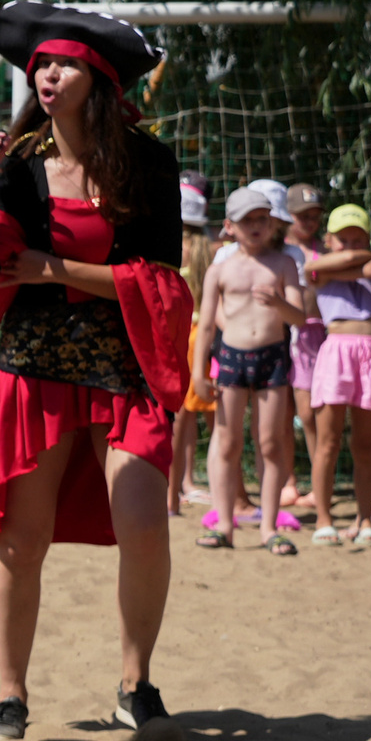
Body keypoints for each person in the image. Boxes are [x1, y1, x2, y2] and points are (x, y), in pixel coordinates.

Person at [0, 1, 194, 741]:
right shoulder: (14, 165)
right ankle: (10, 692)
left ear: (100, 77)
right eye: (42, 64)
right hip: (34, 365)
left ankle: (134, 683)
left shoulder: (148, 164)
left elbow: (160, 284)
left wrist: (57, 268)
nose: (49, 75)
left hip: (125, 368)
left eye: (66, 64)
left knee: (144, 521)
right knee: (22, 538)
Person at [193, 188, 305, 556]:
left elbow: (300, 318)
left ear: (272, 223)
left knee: (270, 443)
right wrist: (198, 373)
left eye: (261, 219)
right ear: (229, 226)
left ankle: (269, 527)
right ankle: (224, 523)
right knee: (226, 443)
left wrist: (277, 302)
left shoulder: (285, 264)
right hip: (231, 360)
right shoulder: (220, 270)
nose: (255, 226)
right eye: (246, 220)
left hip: (272, 359)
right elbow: (207, 326)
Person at [300, 204, 371, 547]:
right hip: (336, 351)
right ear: (328, 240)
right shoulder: (317, 263)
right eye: (343, 239)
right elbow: (315, 268)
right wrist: (362, 263)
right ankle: (324, 520)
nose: (351, 244)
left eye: (359, 237)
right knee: (328, 442)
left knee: (366, 445)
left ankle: (365, 519)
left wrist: (362, 262)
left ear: (370, 238)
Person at [170, 174, 216, 512]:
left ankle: (178, 487)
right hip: (203, 336)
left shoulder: (171, 245)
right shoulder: (207, 249)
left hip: (178, 336)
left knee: (179, 418)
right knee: (199, 419)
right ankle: (187, 483)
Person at [280, 180, 327, 509]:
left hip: (314, 336)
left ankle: (318, 482)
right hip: (279, 335)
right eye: (302, 215)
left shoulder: (325, 249)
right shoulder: (279, 249)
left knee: (309, 414)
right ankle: (287, 482)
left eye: (314, 215)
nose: (309, 221)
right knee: (280, 413)